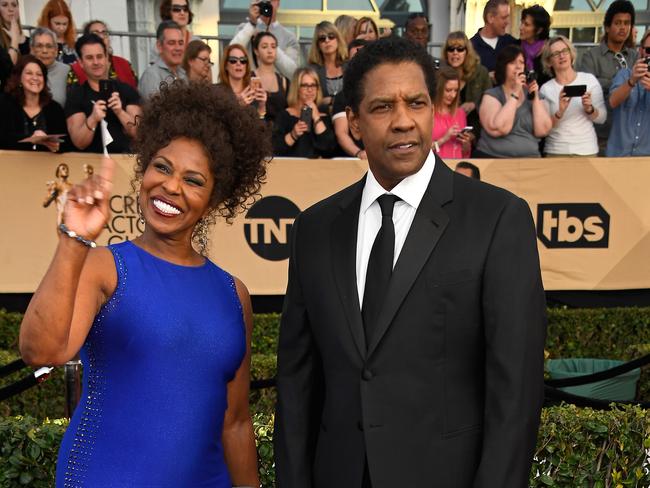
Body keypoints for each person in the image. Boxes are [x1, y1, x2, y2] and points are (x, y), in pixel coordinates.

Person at [274, 37, 546, 488]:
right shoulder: (314, 230)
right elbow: (297, 386)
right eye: (383, 108)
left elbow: (515, 392)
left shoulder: (498, 219)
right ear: (356, 123)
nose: (403, 122)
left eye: (416, 103)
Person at [19, 80, 271, 487]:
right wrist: (73, 241)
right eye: (162, 167)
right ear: (143, 169)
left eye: (194, 180)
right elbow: (40, 349)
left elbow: (236, 424)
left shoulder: (233, 295)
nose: (171, 186)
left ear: (215, 199)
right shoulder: (103, 267)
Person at [65, 34, 141, 153]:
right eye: (90, 58)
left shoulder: (127, 90)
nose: (96, 62)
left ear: (107, 59)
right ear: (80, 63)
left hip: (125, 162)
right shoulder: (76, 95)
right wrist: (93, 119)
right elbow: (79, 142)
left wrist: (120, 112)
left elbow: (140, 134)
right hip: (91, 165)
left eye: (99, 56)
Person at [579, 0, 637, 154]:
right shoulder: (591, 57)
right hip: (601, 136)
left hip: (630, 138)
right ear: (607, 26)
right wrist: (620, 86)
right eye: (618, 23)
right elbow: (587, 92)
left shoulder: (635, 57)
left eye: (627, 23)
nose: (623, 27)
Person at [476, 45, 552, 158]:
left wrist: (535, 97)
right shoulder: (492, 95)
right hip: (494, 159)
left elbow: (543, 130)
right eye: (512, 62)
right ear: (503, 66)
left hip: (529, 161)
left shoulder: (535, 96)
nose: (518, 67)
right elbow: (500, 128)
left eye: (521, 62)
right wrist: (515, 92)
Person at [539, 36, 606, 157]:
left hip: (587, 149)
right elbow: (544, 128)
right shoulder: (546, 89)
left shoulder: (589, 80)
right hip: (557, 150)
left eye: (565, 51)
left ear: (571, 54)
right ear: (549, 62)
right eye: (556, 53)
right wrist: (560, 111)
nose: (562, 56)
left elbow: (602, 118)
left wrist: (590, 109)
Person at [0, 55, 67, 152]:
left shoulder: (55, 108)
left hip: (45, 165)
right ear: (19, 78)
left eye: (39, 74)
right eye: (29, 73)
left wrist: (57, 146)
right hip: (10, 165)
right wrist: (31, 139)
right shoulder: (4, 103)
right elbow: (3, 139)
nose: (35, 78)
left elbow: (65, 144)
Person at [272, 67, 336, 158]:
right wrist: (293, 134)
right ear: (297, 88)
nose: (310, 90)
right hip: (292, 168)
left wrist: (316, 117)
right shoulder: (284, 115)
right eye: (305, 85)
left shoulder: (324, 116)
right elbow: (276, 148)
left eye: (313, 85)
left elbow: (329, 149)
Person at [606, 30, 650, 157]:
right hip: (618, 155)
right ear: (641, 50)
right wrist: (631, 81)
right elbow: (612, 102)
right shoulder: (624, 74)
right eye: (649, 50)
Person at [230, 0, 299, 80]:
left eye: (271, 1)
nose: (267, 4)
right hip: (249, 86)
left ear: (278, 3)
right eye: (264, 1)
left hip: (277, 88)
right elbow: (231, 55)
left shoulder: (289, 37)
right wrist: (251, 25)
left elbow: (292, 72)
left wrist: (270, 45)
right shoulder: (244, 29)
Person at [443, 31, 491, 142]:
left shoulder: (481, 72)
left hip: (477, 130)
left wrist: (475, 104)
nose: (455, 53)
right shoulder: (440, 75)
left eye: (460, 49)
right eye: (451, 49)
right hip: (447, 131)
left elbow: (490, 100)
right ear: (446, 53)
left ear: (467, 52)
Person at [69, 20, 138, 89]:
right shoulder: (76, 69)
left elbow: (135, 93)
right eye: (95, 33)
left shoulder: (124, 64)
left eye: (104, 33)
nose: (101, 37)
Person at [332, 38, 367, 158]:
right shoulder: (342, 97)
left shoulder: (385, 93)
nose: (360, 62)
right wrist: (359, 153)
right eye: (355, 57)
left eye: (363, 56)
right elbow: (341, 133)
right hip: (353, 161)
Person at [139, 21, 188, 99]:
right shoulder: (152, 75)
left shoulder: (182, 73)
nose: (178, 48)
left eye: (181, 43)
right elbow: (153, 109)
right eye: (172, 43)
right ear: (159, 46)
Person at [431, 66, 472, 159]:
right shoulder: (428, 113)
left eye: (456, 90)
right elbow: (420, 152)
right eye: (448, 90)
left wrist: (466, 143)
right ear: (439, 89)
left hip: (455, 167)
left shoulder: (460, 113)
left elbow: (464, 152)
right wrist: (444, 139)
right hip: (435, 168)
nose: (453, 95)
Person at [218, 43, 267, 119]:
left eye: (243, 60)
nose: (239, 63)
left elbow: (259, 126)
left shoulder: (253, 92)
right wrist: (238, 106)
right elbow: (215, 124)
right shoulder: (216, 92)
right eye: (233, 60)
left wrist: (262, 106)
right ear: (225, 65)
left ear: (246, 65)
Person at [470, 0, 518, 77]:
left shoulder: (511, 44)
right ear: (490, 18)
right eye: (504, 18)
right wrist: (486, 76)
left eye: (508, 17)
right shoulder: (471, 48)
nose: (507, 22)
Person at [307, 21, 347, 110]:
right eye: (322, 38)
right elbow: (309, 101)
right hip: (322, 117)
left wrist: (331, 100)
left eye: (331, 36)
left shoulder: (349, 65)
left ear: (338, 39)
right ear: (317, 45)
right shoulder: (312, 70)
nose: (327, 40)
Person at [150, 0, 201, 66]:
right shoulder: (161, 44)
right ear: (168, 12)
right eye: (177, 9)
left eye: (185, 9)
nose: (182, 13)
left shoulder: (197, 42)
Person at [252, 31, 289, 123]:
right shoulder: (249, 78)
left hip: (280, 134)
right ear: (256, 51)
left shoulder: (283, 80)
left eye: (273, 47)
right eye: (264, 47)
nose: (270, 51)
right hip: (257, 131)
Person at [30, 27, 70, 107]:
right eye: (39, 46)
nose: (44, 51)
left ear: (56, 50)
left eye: (49, 46)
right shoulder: (24, 72)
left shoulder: (68, 71)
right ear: (32, 49)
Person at [519, 5, 552, 88]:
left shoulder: (551, 49)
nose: (521, 27)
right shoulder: (515, 46)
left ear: (539, 30)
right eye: (522, 22)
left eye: (526, 24)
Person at [37, 0, 77, 64]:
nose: (61, 28)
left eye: (65, 24)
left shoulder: (73, 44)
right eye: (57, 23)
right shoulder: (38, 43)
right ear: (48, 22)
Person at [0, 0, 29, 64]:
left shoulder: (31, 40)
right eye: (4, 5)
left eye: (14, 5)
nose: (11, 9)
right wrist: (15, 40)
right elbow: (7, 69)